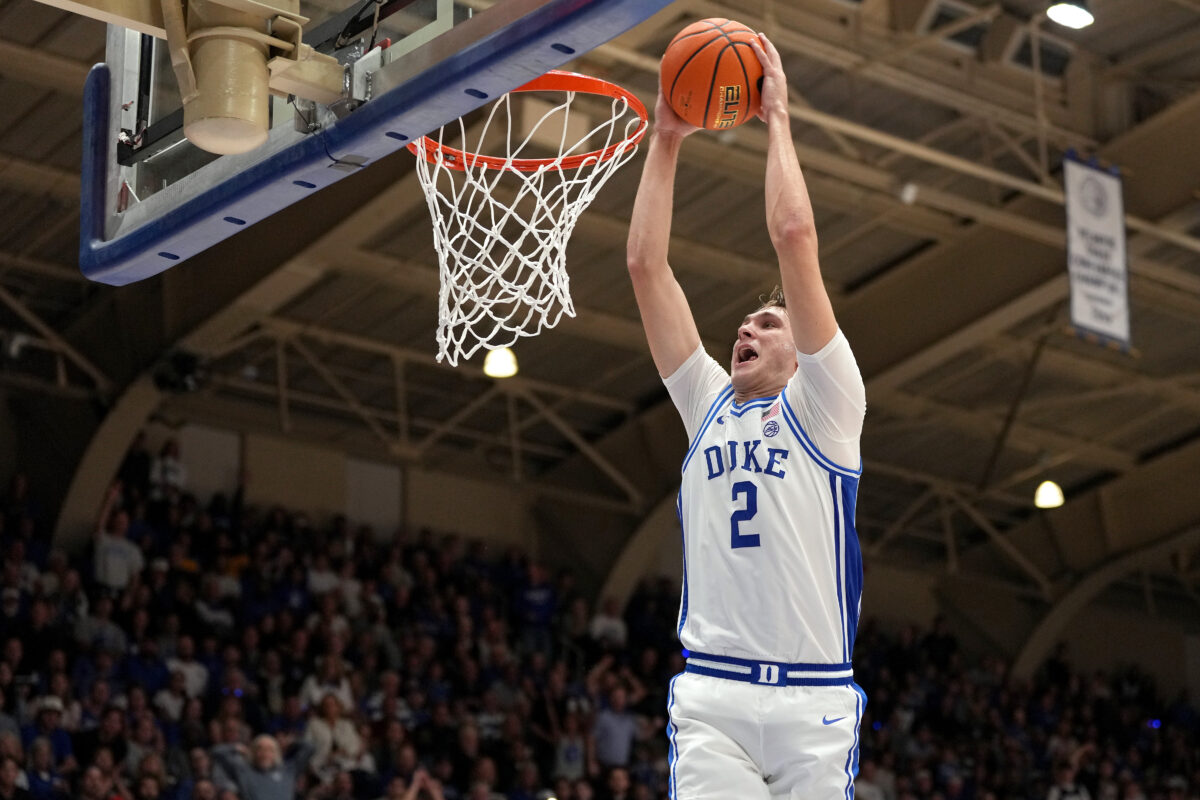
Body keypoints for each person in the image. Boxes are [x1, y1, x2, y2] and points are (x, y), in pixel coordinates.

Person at [624, 32, 867, 799]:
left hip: (814, 701)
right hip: (714, 698)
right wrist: (666, 138)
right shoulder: (707, 405)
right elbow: (644, 266)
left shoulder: (829, 407)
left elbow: (794, 237)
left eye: (768, 323)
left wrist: (779, 119)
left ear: (806, 346)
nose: (747, 330)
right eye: (744, 324)